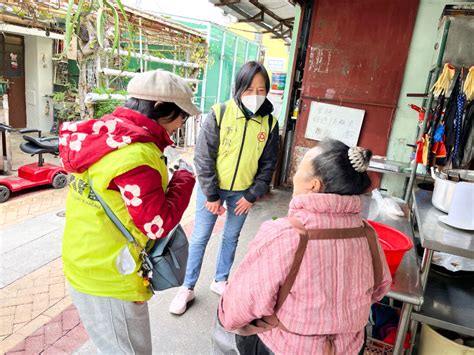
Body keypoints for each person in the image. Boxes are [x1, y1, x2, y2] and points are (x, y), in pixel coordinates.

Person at [60, 70, 199, 354]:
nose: (180, 125)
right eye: (180, 117)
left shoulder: (105, 135)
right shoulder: (136, 155)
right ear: (159, 107)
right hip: (110, 275)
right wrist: (185, 178)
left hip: (86, 259)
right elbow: (156, 225)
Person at [216, 139, 392, 355]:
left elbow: (242, 303)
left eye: (299, 168)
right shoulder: (367, 233)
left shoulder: (285, 234)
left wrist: (225, 318)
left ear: (314, 185)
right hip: (349, 347)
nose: (294, 175)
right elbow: (380, 287)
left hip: (287, 347)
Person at [169, 61, 279, 315]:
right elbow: (203, 156)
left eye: (261, 90)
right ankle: (187, 287)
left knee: (231, 237)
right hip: (212, 191)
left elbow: (268, 163)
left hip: (243, 193)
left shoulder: (270, 124)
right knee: (200, 238)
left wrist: (252, 195)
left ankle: (220, 279)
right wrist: (211, 194)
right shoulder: (219, 113)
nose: (255, 96)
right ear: (239, 88)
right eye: (249, 89)